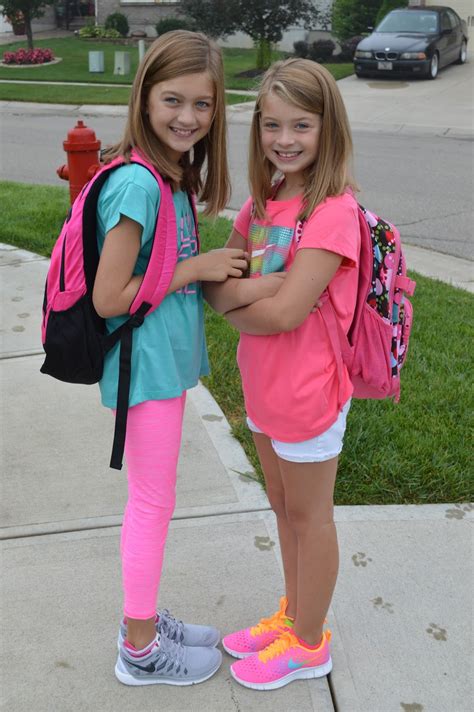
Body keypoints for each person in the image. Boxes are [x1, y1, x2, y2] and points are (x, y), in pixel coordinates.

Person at [92, 31, 283, 688]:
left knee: (153, 499)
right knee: (151, 502)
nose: (187, 117)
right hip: (144, 371)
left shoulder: (167, 175)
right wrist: (192, 267)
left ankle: (141, 622)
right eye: (172, 100)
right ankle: (140, 648)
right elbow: (109, 295)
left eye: (202, 105)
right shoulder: (139, 185)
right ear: (144, 97)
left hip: (160, 366)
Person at [205, 58, 361, 691]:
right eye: (272, 124)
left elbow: (286, 312)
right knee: (281, 506)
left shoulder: (332, 212)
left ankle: (310, 643)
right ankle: (293, 615)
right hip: (265, 387)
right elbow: (213, 291)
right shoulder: (265, 202)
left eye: (302, 124)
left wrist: (250, 295)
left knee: (310, 517)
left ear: (329, 128)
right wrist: (252, 295)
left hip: (310, 393)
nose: (285, 138)